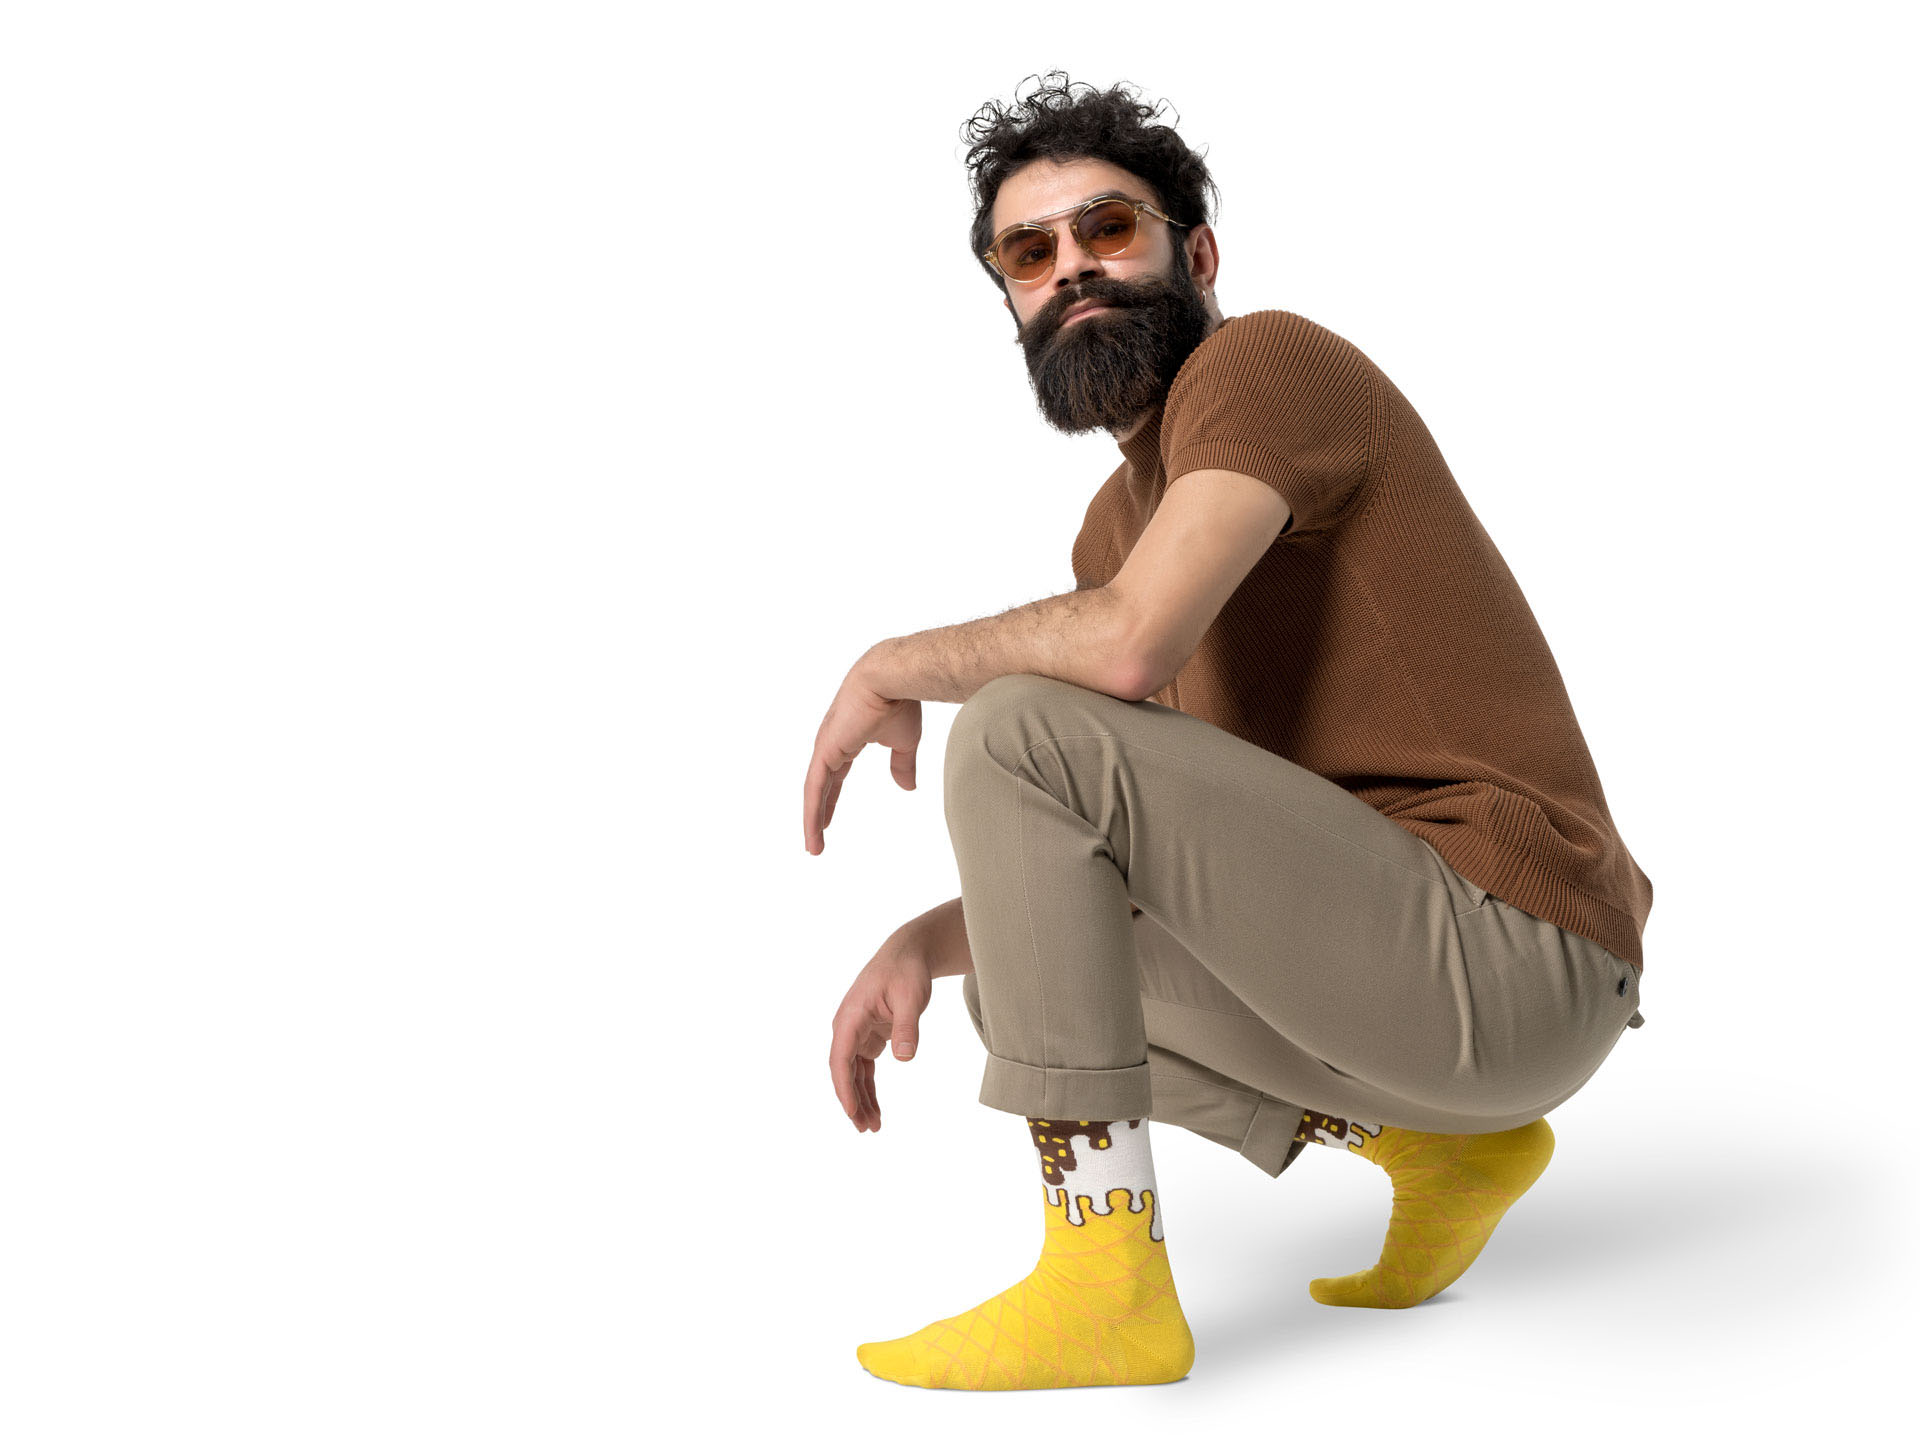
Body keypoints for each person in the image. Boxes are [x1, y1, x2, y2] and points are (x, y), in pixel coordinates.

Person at [804, 72, 1653, 1392]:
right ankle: (1445, 1152)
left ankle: (1104, 1284)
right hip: (1405, 1002)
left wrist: (886, 666)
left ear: (1195, 256)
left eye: (1109, 229)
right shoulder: (1113, 533)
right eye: (1030, 254)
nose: (1072, 269)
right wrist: (927, 940)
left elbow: (1127, 647)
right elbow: (1133, 856)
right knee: (1027, 986)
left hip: (1515, 949)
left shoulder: (1265, 368)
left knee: (1017, 728)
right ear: (1012, 304)